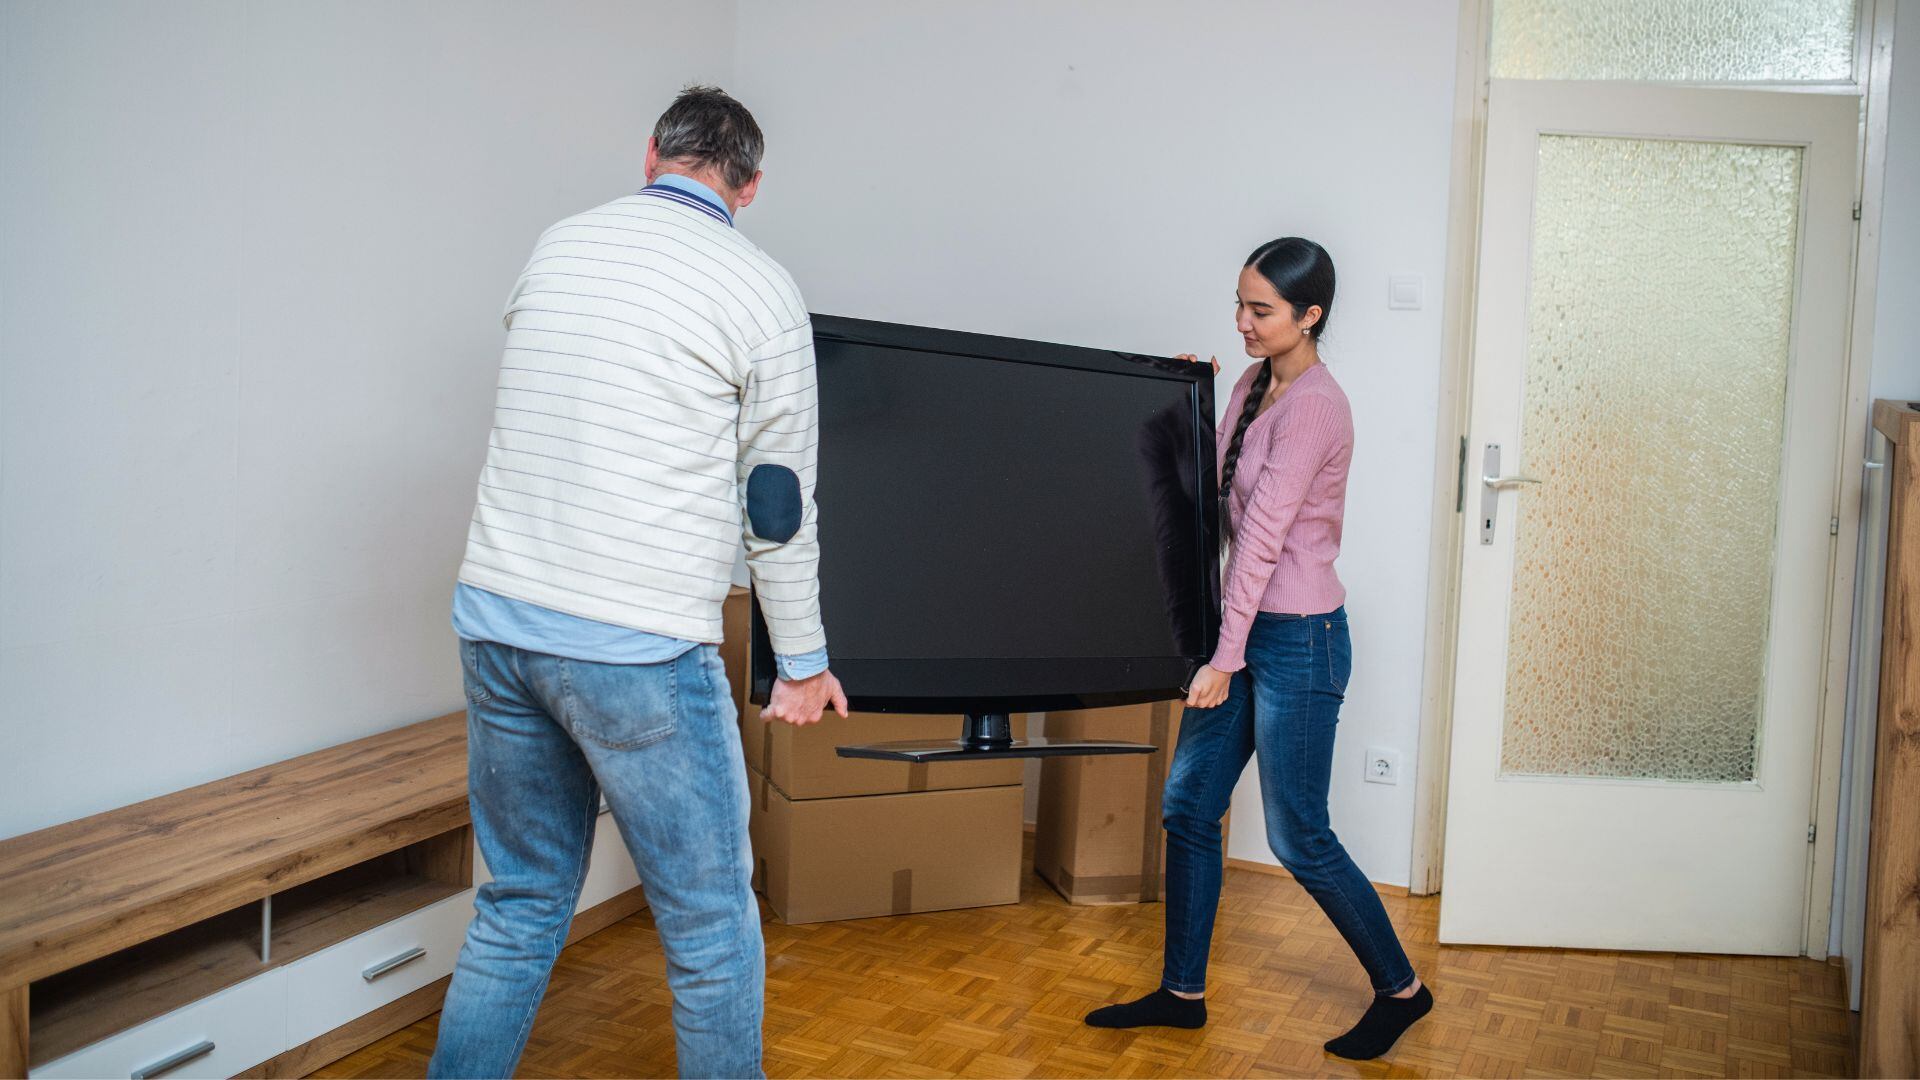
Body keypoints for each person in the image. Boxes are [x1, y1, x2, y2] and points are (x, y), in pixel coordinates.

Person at [430, 85, 847, 1080]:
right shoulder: (760, 288)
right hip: (637, 650)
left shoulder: (560, 243)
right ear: (749, 186)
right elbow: (777, 503)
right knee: (710, 925)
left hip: (497, 622)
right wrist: (802, 662)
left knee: (521, 900)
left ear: (651, 154)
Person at [1085, 238, 1431, 1061]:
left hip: (1298, 640)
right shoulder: (1251, 381)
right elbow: (1213, 490)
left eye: (1261, 310)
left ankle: (1403, 990)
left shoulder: (1317, 406)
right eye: (1239, 303)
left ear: (1310, 316)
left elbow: (1264, 542)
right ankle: (1182, 993)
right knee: (1189, 805)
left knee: (1298, 834)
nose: (1242, 321)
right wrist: (1183, 401)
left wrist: (1223, 657)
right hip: (1244, 633)